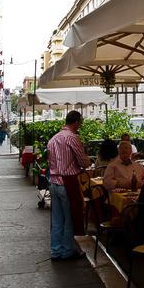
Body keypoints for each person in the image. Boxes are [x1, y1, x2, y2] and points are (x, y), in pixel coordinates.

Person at [47, 110, 91, 260]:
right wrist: (87, 163)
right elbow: (83, 161)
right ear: (77, 122)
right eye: (81, 123)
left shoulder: (53, 139)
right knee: (69, 218)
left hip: (53, 181)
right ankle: (67, 251)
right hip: (67, 182)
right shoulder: (72, 138)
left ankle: (55, 250)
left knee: (57, 219)